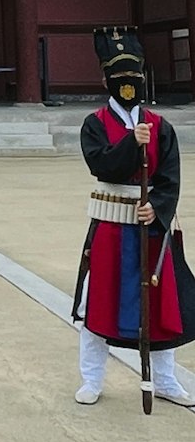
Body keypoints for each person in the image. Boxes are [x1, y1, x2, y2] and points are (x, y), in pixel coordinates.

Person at [71, 27, 195, 406]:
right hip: (110, 227)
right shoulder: (95, 124)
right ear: (107, 80)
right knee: (98, 303)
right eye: (119, 76)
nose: (128, 84)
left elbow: (170, 180)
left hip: (150, 227)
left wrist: (155, 207)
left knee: (160, 305)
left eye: (134, 76)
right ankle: (91, 379)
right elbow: (102, 165)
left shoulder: (162, 127)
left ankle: (166, 379)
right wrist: (131, 142)